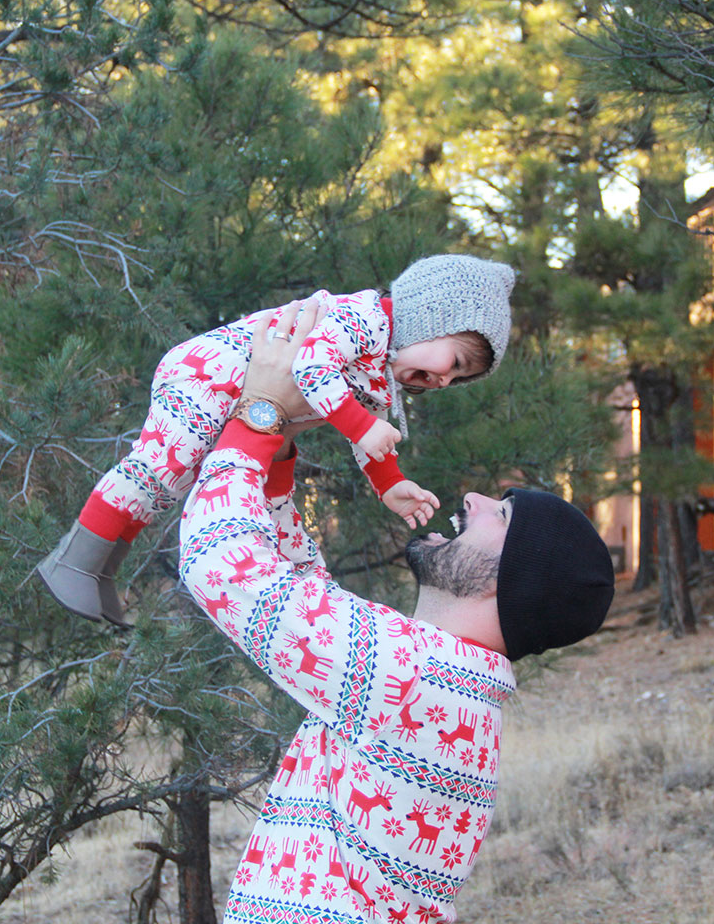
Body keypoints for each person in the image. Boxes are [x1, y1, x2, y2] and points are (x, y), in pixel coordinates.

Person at [178, 300, 616, 924]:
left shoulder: (411, 676)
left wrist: (258, 413)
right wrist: (276, 454)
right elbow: (299, 589)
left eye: (504, 514)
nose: (473, 498)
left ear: (513, 581)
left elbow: (218, 560)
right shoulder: (442, 682)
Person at [37, 254, 515, 627]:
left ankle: (100, 571)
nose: (445, 381)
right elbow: (311, 368)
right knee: (161, 469)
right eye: (454, 362)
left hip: (253, 409)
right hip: (208, 375)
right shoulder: (362, 318)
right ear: (427, 319)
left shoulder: (380, 371)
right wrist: (362, 426)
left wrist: (389, 482)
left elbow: (368, 432)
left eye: (459, 380)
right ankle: (74, 563)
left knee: (191, 492)